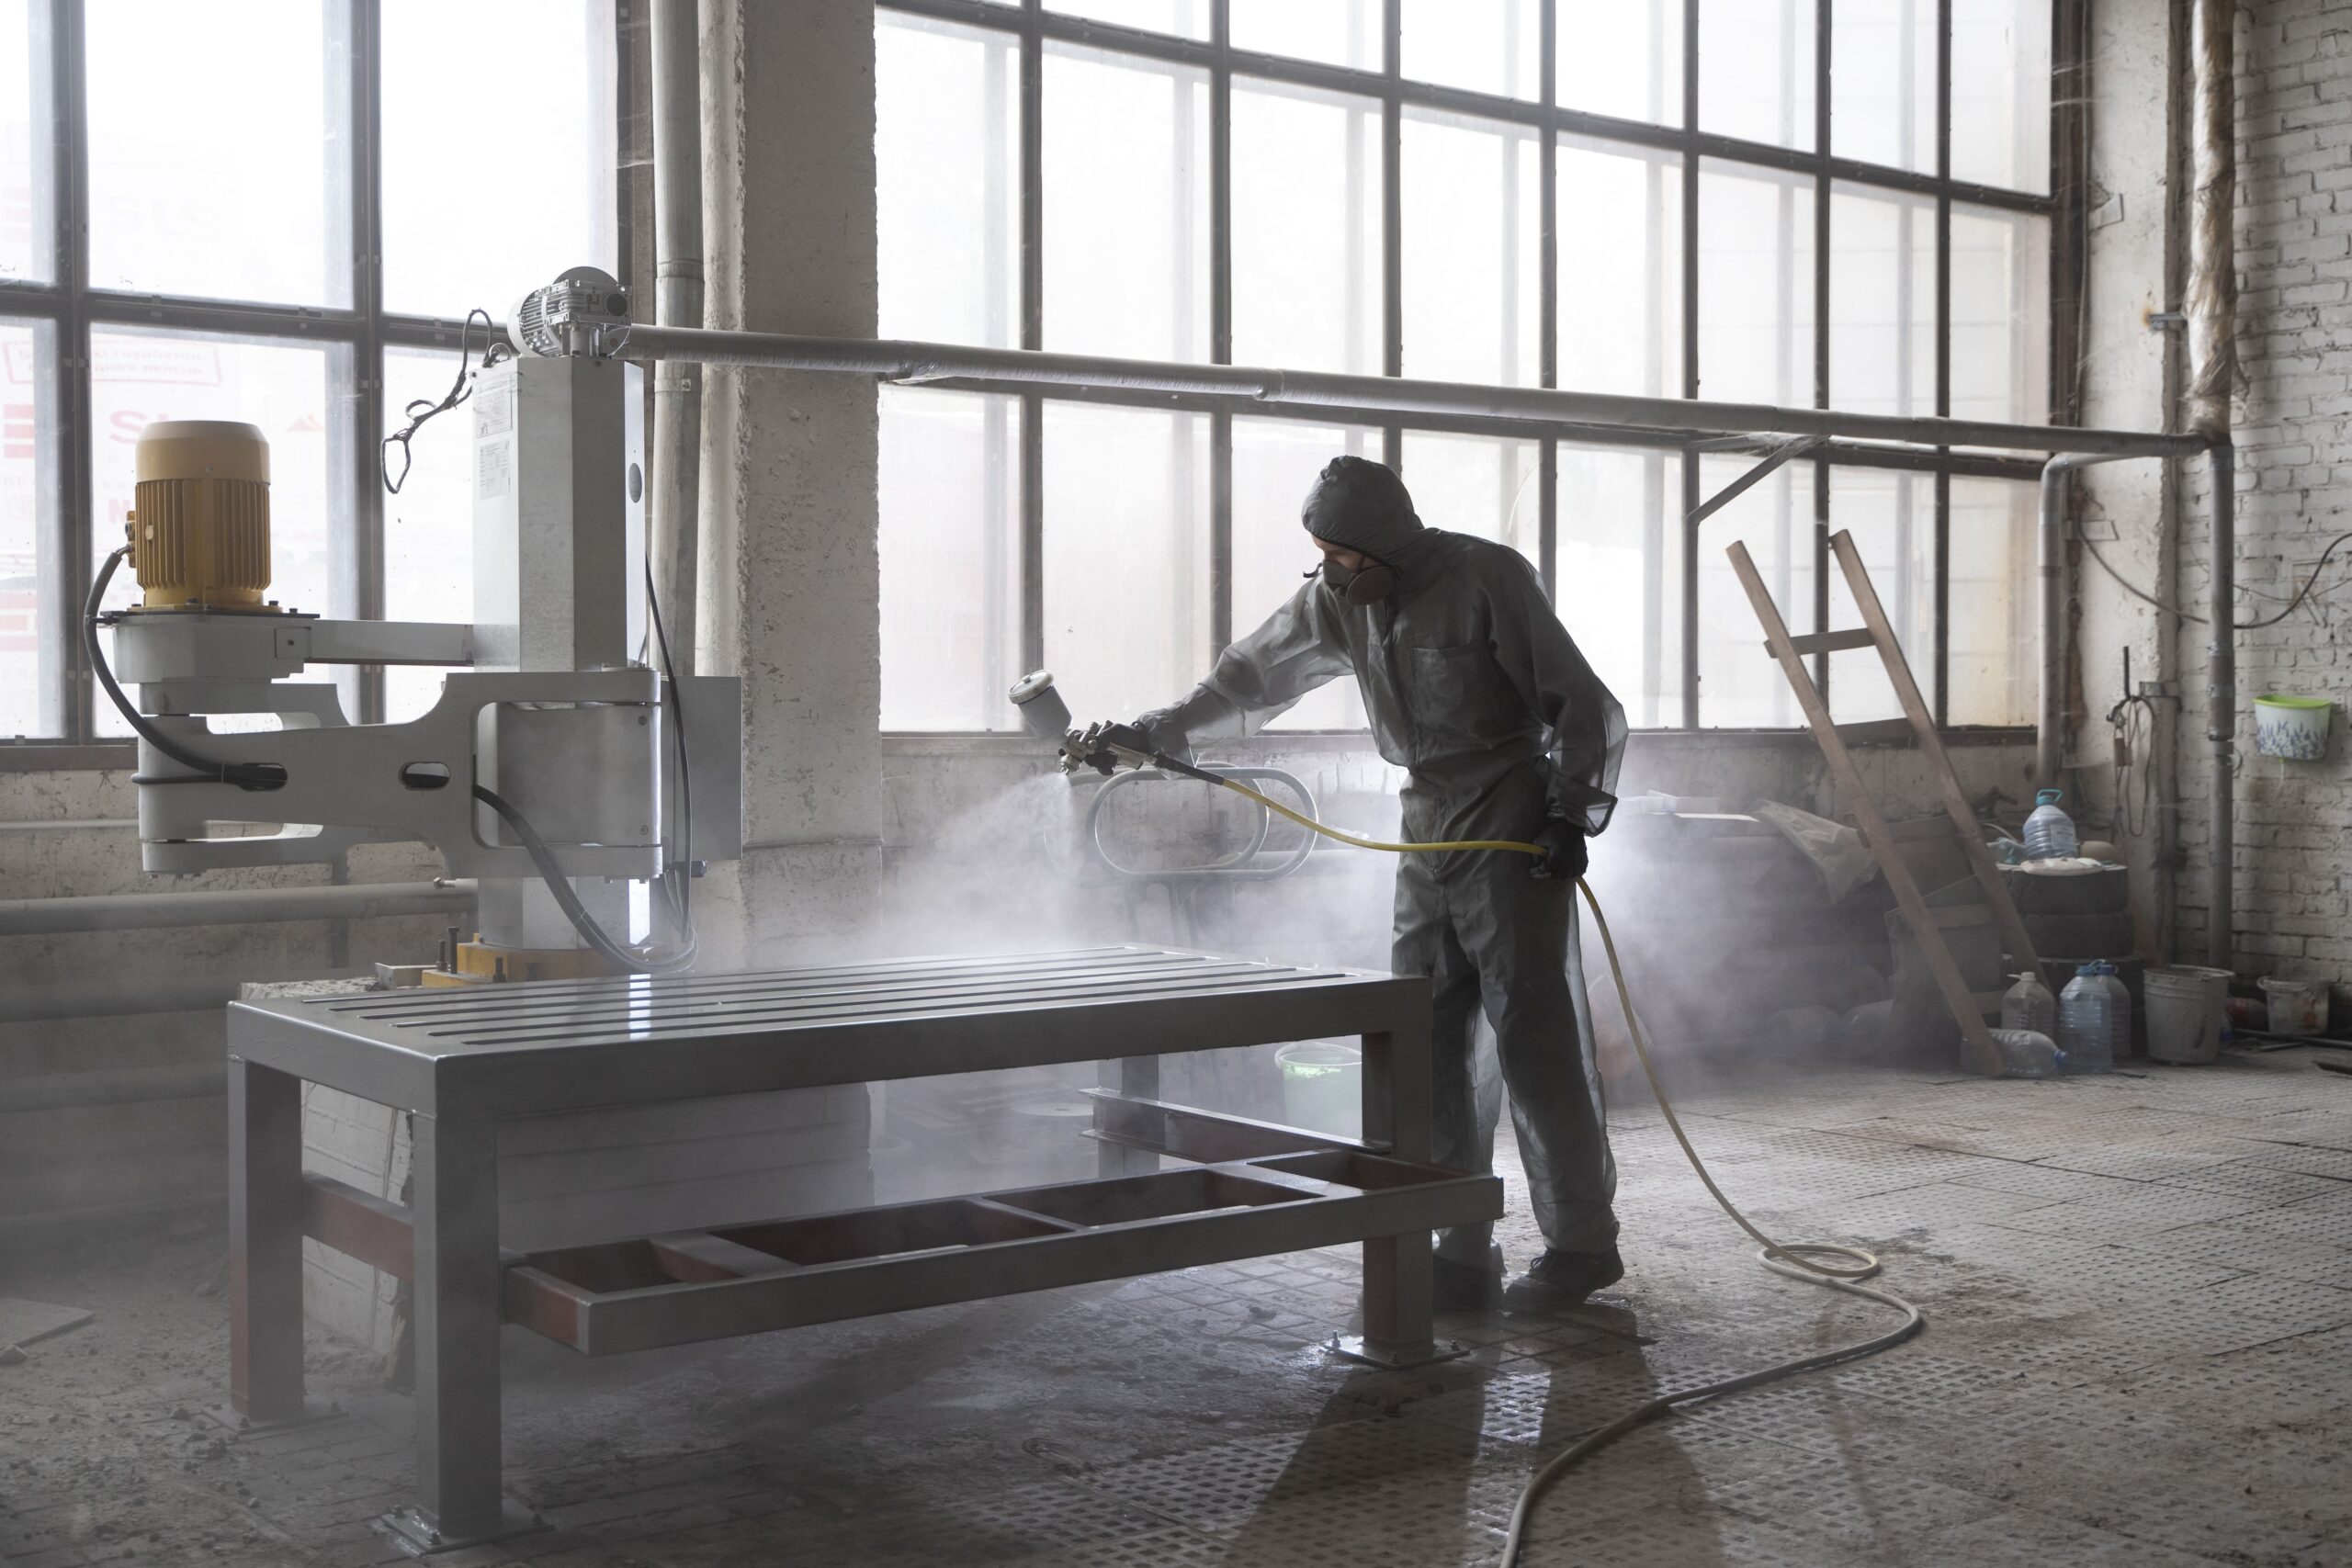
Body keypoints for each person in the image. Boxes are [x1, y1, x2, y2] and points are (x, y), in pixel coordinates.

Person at [1119, 456, 1629, 1312]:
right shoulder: (1339, 598)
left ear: (1386, 542)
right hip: (1426, 823)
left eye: (1343, 555)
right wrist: (1159, 729)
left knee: (1533, 1038)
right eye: (1321, 555)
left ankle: (1581, 1245)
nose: (1331, 572)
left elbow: (1585, 702)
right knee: (1422, 1036)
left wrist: (1570, 816)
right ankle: (1457, 1242)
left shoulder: (1487, 578)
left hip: (1507, 819)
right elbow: (1251, 676)